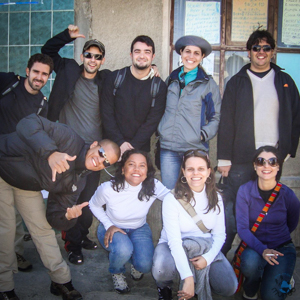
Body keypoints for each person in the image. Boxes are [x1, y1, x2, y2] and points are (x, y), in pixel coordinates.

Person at [0, 114, 120, 300]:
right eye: (102, 153)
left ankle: (61, 281)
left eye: (106, 163)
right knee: (5, 230)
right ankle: (4, 287)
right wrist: (50, 152)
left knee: (43, 230)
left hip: (25, 184)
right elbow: (27, 123)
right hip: (3, 165)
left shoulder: (78, 180)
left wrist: (68, 218)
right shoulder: (68, 138)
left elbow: (54, 216)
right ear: (94, 144)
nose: (100, 160)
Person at [217, 29, 300, 254]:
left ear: (272, 52)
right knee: (234, 215)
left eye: (265, 48)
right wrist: (223, 158)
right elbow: (226, 121)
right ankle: (219, 262)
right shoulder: (237, 82)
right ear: (249, 52)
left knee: (267, 211)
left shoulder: (284, 81)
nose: (261, 52)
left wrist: (289, 148)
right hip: (241, 159)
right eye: (256, 48)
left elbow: (295, 115)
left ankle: (260, 262)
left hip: (271, 159)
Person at [42, 24, 110, 264]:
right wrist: (65, 37)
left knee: (88, 198)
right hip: (68, 151)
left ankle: (81, 236)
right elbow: (47, 51)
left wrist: (150, 69)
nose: (92, 60)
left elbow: (130, 77)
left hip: (93, 153)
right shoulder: (69, 69)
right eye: (88, 55)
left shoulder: (105, 80)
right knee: (68, 198)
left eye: (97, 56)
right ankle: (72, 245)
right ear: (82, 57)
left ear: (102, 60)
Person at [152, 150, 237, 300]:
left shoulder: (216, 197)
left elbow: (219, 235)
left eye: (201, 169)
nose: (195, 173)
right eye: (190, 169)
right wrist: (188, 277)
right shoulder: (171, 199)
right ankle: (165, 285)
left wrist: (208, 258)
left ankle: (202, 280)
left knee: (229, 287)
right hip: (173, 245)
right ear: (184, 172)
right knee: (161, 269)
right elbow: (174, 241)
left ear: (209, 172)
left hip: (204, 245)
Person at [89, 149, 169, 294]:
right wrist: (109, 225)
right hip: (113, 227)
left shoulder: (153, 185)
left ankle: (134, 261)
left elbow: (172, 199)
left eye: (142, 165)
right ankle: (117, 271)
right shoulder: (109, 188)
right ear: (122, 169)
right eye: (131, 164)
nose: (137, 169)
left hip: (139, 228)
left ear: (148, 169)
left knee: (145, 265)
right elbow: (93, 204)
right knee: (123, 249)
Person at [236, 146, 300, 300]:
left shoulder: (287, 194)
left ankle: (285, 279)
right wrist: (263, 250)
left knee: (273, 297)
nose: (266, 166)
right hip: (256, 247)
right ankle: (250, 289)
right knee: (250, 263)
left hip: (282, 248)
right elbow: (242, 228)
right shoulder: (245, 191)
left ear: (278, 167)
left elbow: (292, 222)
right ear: (254, 166)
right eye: (261, 161)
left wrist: (277, 238)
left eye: (272, 161)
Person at [158, 35, 221, 190]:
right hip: (168, 148)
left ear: (202, 57)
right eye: (187, 51)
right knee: (170, 194)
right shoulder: (171, 80)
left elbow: (215, 116)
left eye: (196, 53)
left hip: (194, 149)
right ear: (181, 53)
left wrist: (201, 135)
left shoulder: (208, 84)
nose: (191, 56)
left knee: (195, 193)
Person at [101, 35, 167, 156]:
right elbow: (106, 114)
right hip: (112, 147)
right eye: (137, 51)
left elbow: (152, 122)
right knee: (112, 176)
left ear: (153, 57)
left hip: (140, 150)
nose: (142, 56)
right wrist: (120, 143)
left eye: (147, 52)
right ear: (131, 55)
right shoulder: (115, 78)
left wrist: (132, 147)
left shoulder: (159, 87)